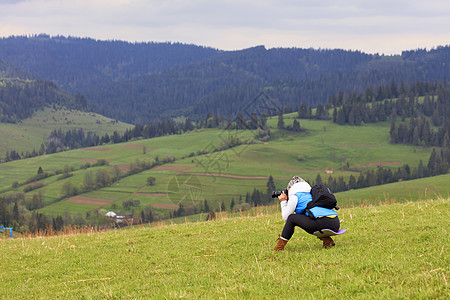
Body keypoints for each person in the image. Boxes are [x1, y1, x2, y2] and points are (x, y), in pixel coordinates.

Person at [273, 176, 340, 251]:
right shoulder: (313, 195)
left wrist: (283, 201)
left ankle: (279, 248)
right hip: (335, 222)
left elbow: (286, 217)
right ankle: (328, 241)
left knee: (292, 218)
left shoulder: (295, 196)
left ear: (291, 189)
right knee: (309, 217)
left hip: (322, 223)